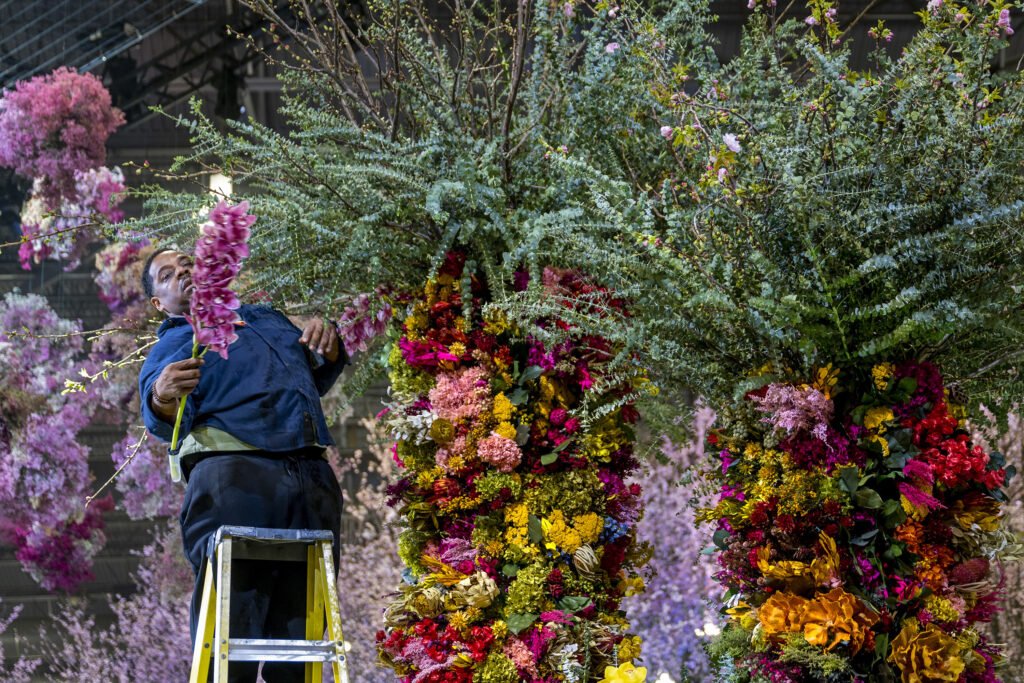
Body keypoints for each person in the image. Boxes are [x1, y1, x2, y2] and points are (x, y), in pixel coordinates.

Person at [138, 247, 346, 683]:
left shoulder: (266, 317)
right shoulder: (176, 340)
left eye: (189, 265)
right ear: (159, 303)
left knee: (300, 637)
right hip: (237, 485)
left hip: (311, 480)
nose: (184, 274)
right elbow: (158, 409)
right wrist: (161, 394)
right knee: (234, 634)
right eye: (168, 275)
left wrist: (327, 349)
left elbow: (310, 377)